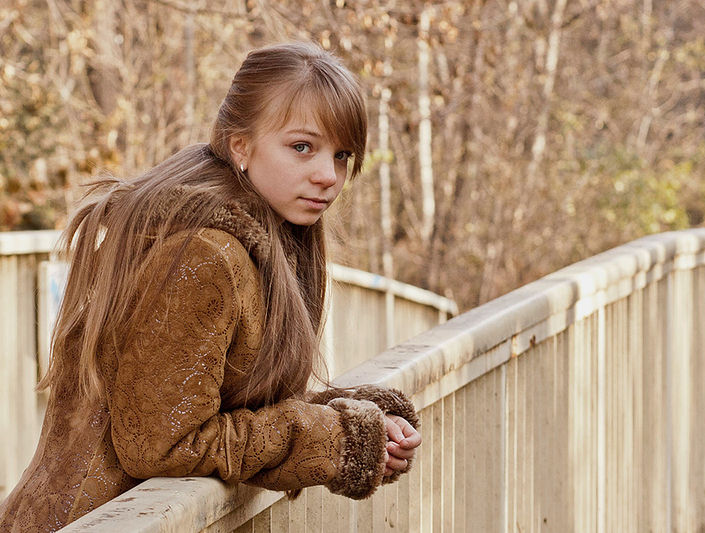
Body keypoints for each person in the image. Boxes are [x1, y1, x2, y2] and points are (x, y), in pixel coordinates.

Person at [0, 41, 421, 532]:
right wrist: (335, 439)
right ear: (240, 146)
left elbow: (219, 410)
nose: (329, 176)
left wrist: (358, 424)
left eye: (342, 155)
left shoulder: (255, 244)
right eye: (302, 147)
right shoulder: (203, 255)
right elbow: (162, 445)